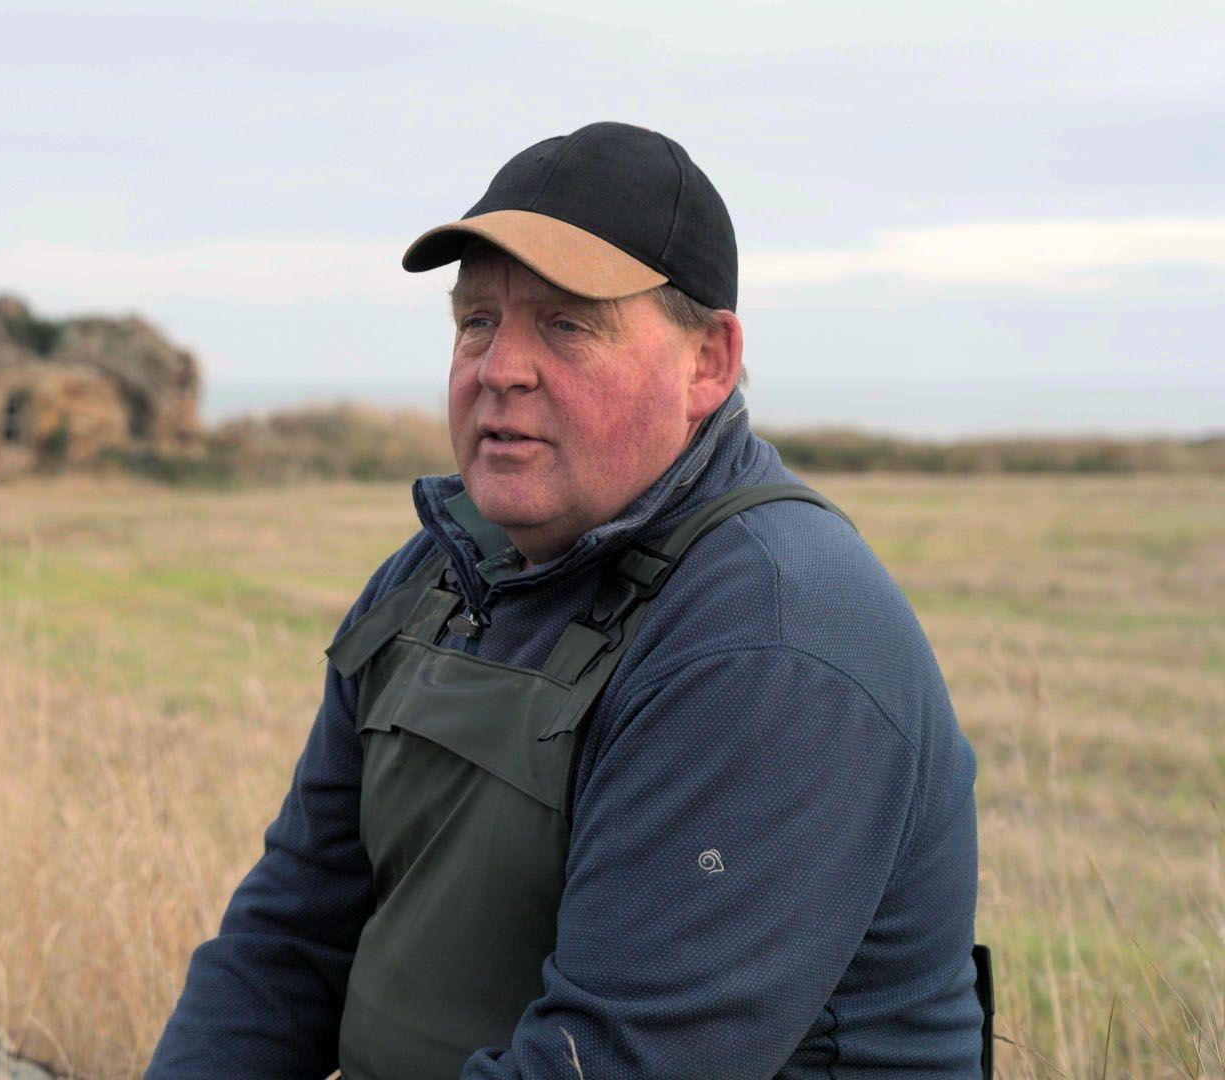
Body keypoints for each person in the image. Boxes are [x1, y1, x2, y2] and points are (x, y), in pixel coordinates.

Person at [147, 122, 986, 1078]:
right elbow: (285, 942)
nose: (499, 367)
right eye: (477, 322)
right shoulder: (434, 578)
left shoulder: (768, 638)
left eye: (566, 324)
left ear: (707, 363)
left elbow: (609, 1063)